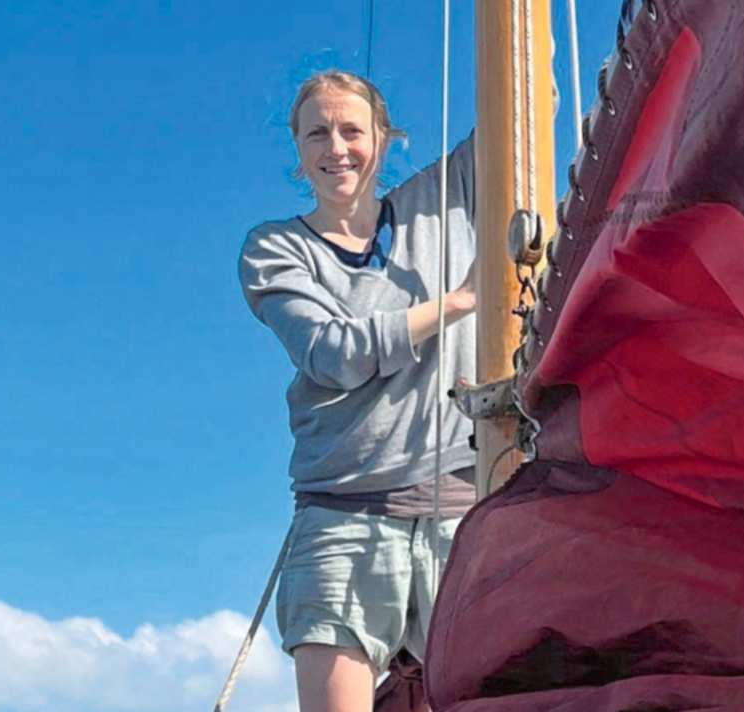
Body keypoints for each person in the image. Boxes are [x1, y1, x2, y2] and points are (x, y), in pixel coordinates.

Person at [238, 70, 478, 712]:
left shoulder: (446, 195)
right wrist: (458, 303)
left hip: (463, 512)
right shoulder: (274, 250)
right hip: (342, 515)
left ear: (386, 138)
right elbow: (332, 355)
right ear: (297, 148)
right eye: (317, 133)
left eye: (352, 130)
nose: (335, 147)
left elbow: (531, 101)